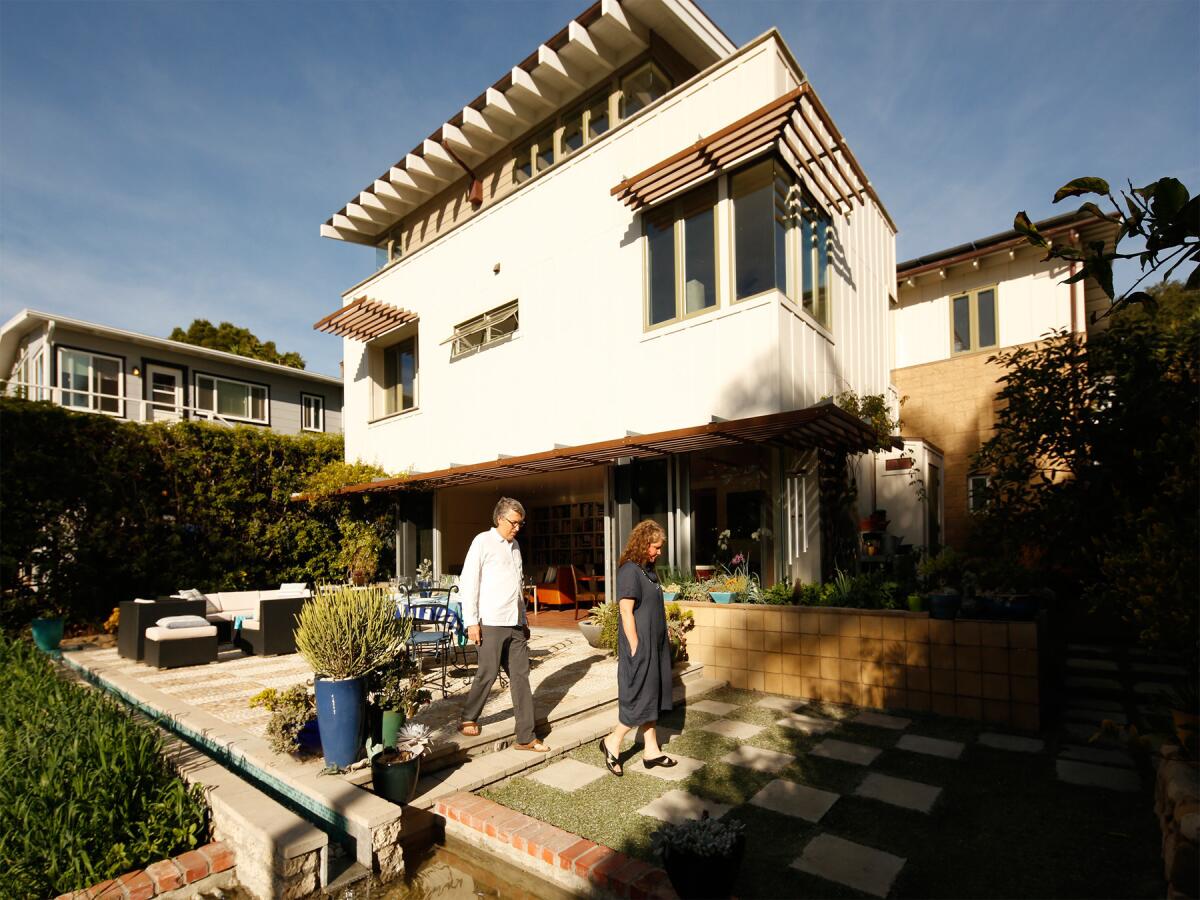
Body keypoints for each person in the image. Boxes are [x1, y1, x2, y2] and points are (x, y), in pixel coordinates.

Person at [457, 497, 549, 752]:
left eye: (521, 523)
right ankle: (468, 717)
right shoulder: (482, 542)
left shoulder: (516, 546)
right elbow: (469, 583)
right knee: (487, 673)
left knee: (521, 676)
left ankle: (526, 736)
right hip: (490, 622)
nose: (518, 527)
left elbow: (517, 587)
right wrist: (471, 622)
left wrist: (524, 618)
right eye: (514, 522)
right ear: (500, 519)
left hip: (514, 623)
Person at [598, 520, 676, 776]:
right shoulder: (630, 571)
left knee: (651, 694)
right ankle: (612, 741)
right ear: (643, 544)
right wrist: (635, 646)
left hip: (654, 645)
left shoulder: (648, 571)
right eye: (656, 547)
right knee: (638, 696)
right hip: (640, 645)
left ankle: (651, 750)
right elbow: (625, 611)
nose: (659, 552)